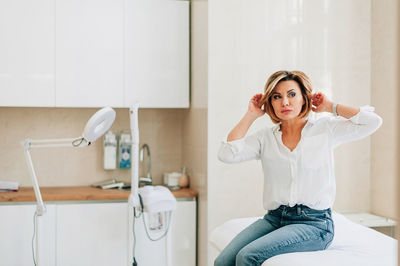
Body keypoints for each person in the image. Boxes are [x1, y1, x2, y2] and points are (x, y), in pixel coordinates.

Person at [215, 70, 383, 266]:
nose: (285, 102)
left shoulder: (325, 130)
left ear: (305, 98)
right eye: (277, 97)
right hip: (274, 219)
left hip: (314, 224)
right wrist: (251, 115)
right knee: (223, 261)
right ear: (270, 103)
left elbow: (373, 121)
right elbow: (226, 154)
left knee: (248, 256)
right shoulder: (265, 138)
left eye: (292, 94)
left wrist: (331, 106)